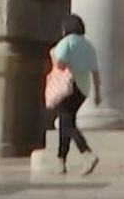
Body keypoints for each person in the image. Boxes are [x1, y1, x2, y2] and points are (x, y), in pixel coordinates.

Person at [45, 14, 100, 176]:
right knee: (65, 123)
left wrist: (53, 54)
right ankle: (61, 163)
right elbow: (95, 72)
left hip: (66, 87)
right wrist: (98, 93)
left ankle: (87, 154)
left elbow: (60, 63)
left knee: (67, 125)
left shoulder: (66, 43)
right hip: (82, 89)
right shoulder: (88, 45)